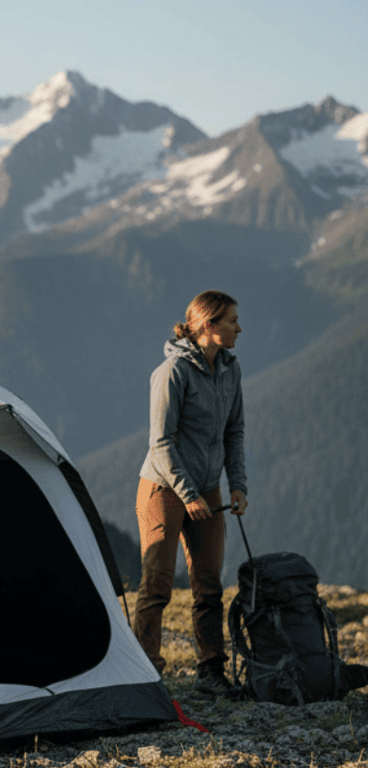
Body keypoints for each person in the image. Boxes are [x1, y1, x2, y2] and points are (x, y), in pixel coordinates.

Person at [134, 290, 247, 695]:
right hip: (164, 487)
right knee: (157, 584)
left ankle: (211, 673)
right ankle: (144, 675)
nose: (239, 327)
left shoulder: (230, 371)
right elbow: (161, 443)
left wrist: (238, 486)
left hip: (209, 488)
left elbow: (234, 432)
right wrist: (188, 494)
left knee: (209, 584)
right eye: (232, 320)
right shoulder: (172, 373)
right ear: (209, 326)